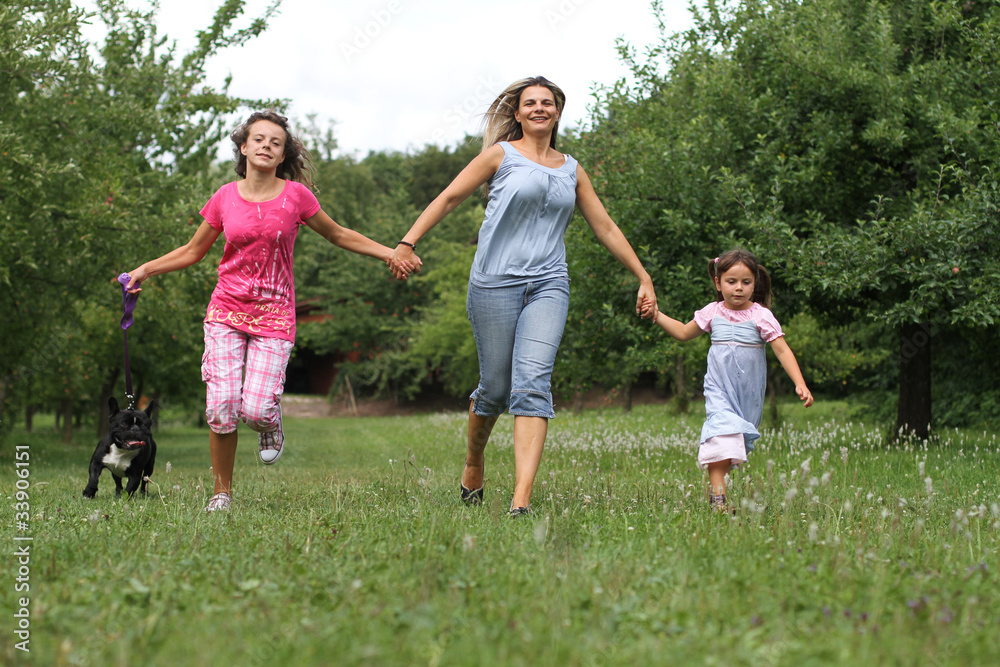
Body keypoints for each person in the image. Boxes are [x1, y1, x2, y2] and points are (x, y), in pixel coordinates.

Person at [123, 110, 417, 512]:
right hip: (226, 310)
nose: (266, 146)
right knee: (222, 405)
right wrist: (145, 269)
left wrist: (390, 253)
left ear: (282, 155)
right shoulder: (225, 196)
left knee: (257, 409)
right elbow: (193, 251)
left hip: (275, 316)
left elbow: (338, 233)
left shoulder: (296, 196)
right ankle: (221, 493)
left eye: (275, 142)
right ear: (243, 147)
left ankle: (270, 423)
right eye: (258, 139)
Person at [391, 76, 658, 516]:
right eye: (529, 103)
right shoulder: (500, 156)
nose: (538, 108)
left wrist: (642, 275)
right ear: (517, 113)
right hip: (495, 282)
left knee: (533, 384)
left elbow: (605, 226)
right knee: (495, 390)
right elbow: (450, 197)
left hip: (549, 284)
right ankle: (474, 461)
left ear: (557, 111)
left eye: (546, 103)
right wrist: (407, 242)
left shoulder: (573, 169)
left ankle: (520, 501)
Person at [641, 248, 813, 511]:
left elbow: (781, 349)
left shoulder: (761, 315)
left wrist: (799, 382)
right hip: (719, 391)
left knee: (733, 445)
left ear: (755, 284)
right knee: (721, 436)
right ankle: (718, 502)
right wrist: (657, 315)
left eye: (746, 282)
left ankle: (719, 494)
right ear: (718, 283)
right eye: (731, 281)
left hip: (748, 396)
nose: (739, 288)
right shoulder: (713, 312)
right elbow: (684, 332)